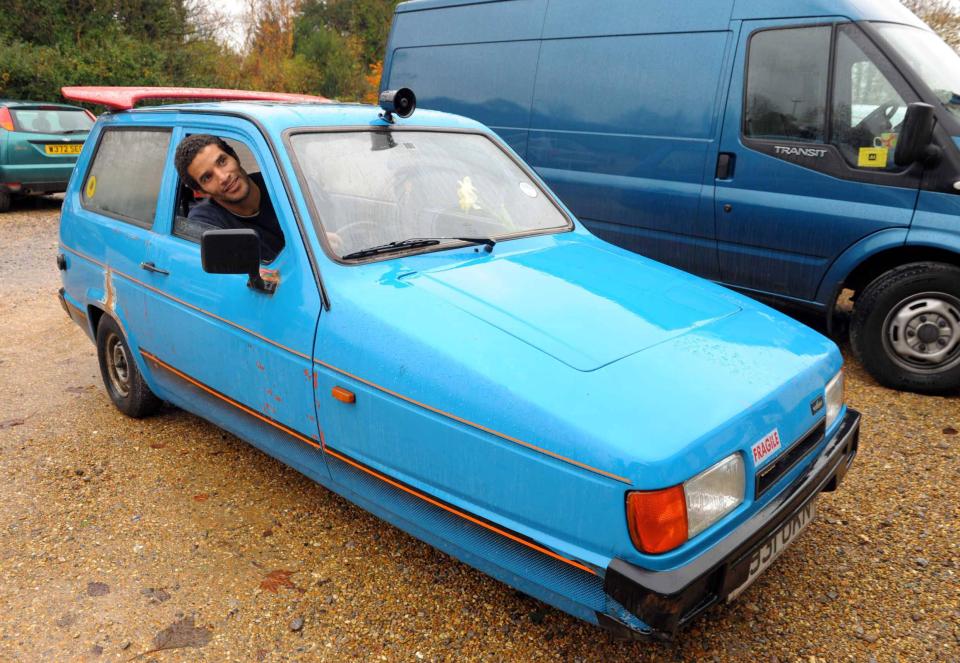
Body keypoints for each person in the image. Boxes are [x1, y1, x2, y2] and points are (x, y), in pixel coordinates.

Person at [174, 134, 285, 262]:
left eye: (222, 161)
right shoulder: (206, 221)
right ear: (201, 191)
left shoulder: (280, 185)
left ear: (235, 157)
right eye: (208, 177)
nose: (223, 177)